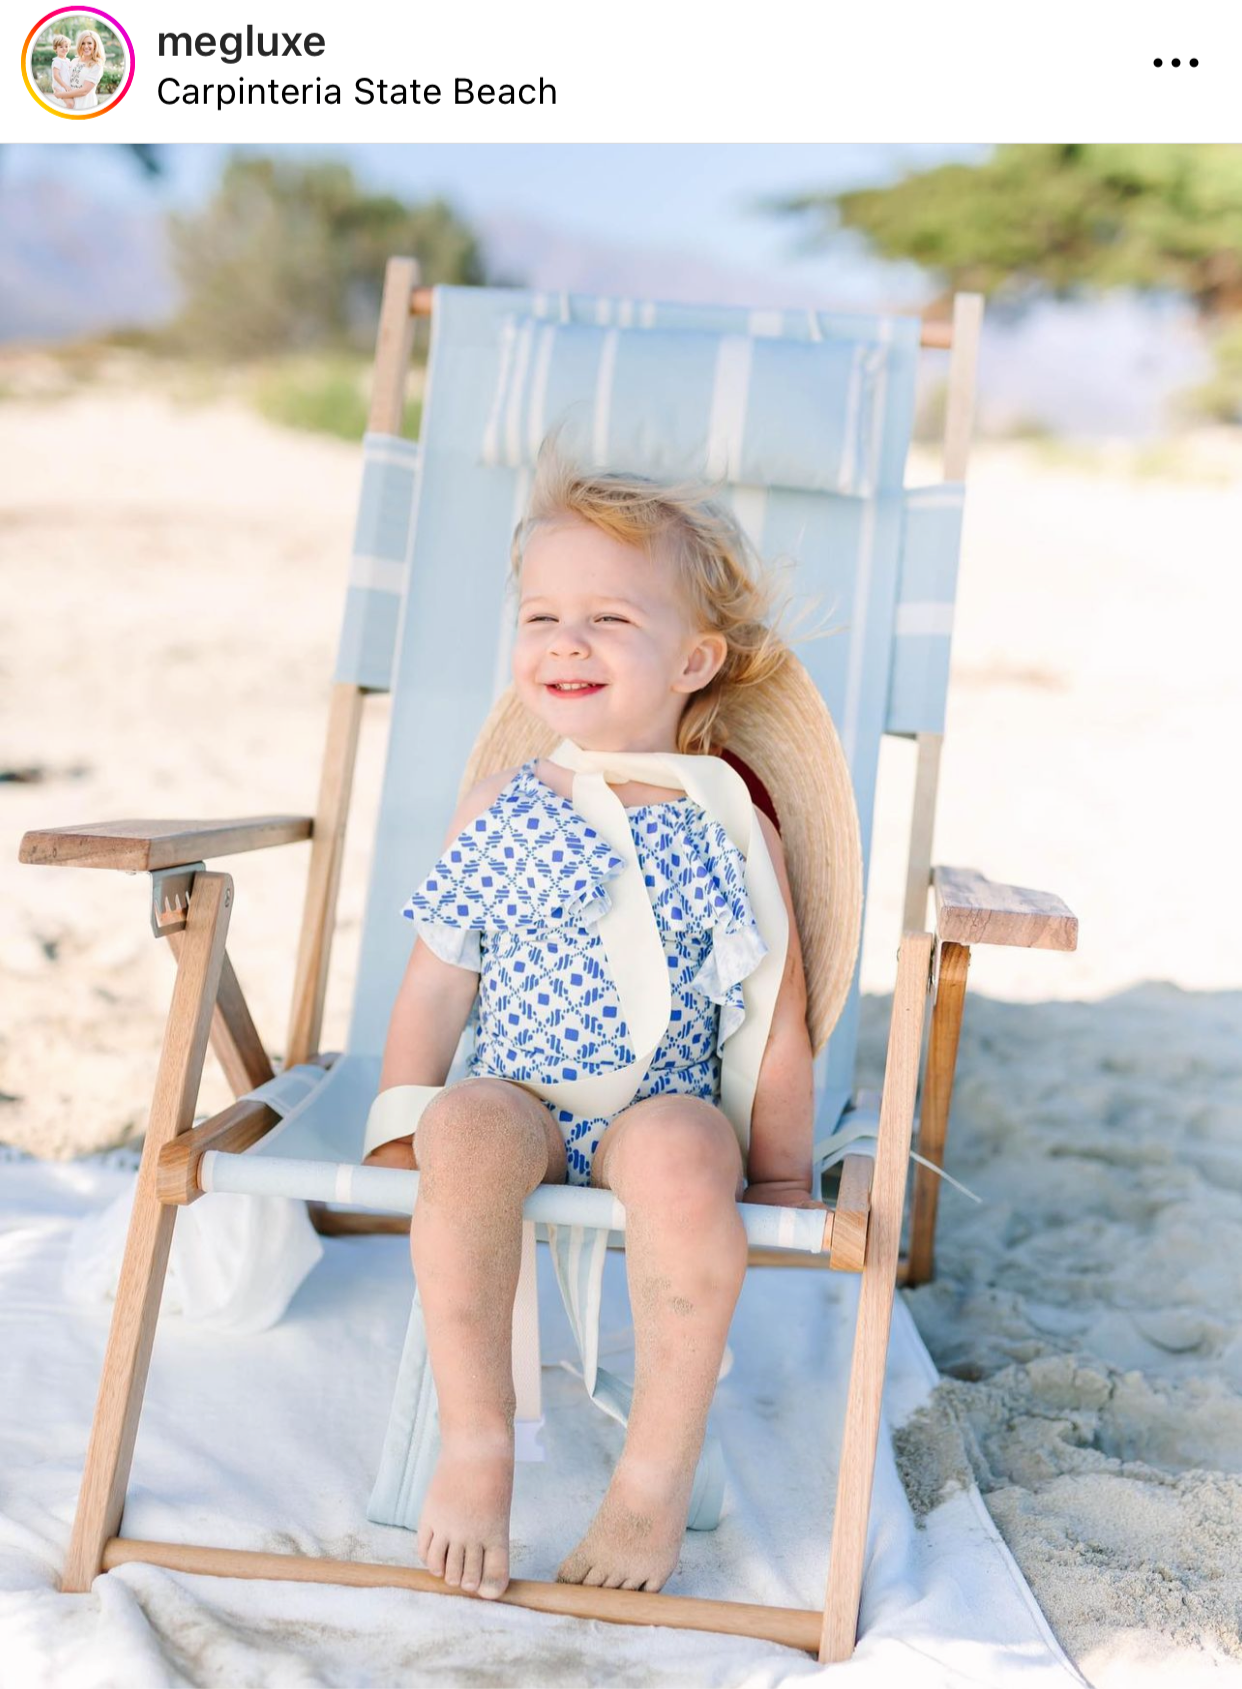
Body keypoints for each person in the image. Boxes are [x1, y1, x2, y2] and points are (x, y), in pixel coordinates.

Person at [364, 436, 820, 1602]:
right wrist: (397, 1118)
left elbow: (771, 1013)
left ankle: (653, 1474)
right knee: (466, 1129)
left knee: (676, 1153)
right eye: (542, 617)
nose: (566, 641)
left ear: (694, 659)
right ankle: (477, 1441)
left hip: (658, 1105)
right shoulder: (503, 803)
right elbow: (437, 978)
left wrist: (778, 1174)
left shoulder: (730, 817)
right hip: (522, 1094)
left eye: (611, 620)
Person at [58, 29, 106, 111]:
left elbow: (84, 91)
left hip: (86, 106)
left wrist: (62, 95)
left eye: (89, 43)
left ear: (95, 45)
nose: (86, 46)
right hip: (70, 105)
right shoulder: (74, 61)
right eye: (83, 43)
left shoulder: (97, 65)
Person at [46, 34, 73, 109]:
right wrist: (65, 86)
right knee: (70, 104)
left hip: (67, 88)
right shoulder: (57, 61)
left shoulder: (67, 60)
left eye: (66, 46)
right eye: (61, 47)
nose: (64, 49)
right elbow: (56, 75)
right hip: (61, 88)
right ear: (55, 49)